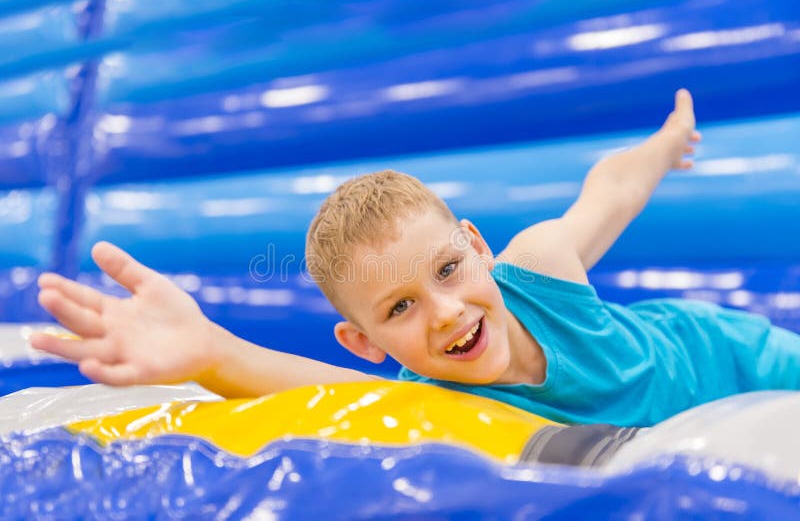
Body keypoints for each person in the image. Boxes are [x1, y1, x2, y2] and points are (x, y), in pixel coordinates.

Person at [31, 90, 800, 427]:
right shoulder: (424, 396)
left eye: (447, 270)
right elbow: (302, 385)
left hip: (730, 356)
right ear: (365, 343)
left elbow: (608, 195)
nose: (447, 313)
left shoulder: (537, 268)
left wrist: (664, 148)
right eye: (399, 308)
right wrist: (206, 351)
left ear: (476, 246)